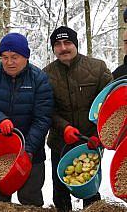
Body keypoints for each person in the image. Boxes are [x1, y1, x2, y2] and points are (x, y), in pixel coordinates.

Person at [0, 33, 53, 206]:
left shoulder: (39, 79)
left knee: (30, 199)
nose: (9, 62)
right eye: (5, 57)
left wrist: (27, 151)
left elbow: (43, 118)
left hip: (31, 152)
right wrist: (0, 119)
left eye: (14, 57)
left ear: (26, 56)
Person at [43, 26, 113, 212]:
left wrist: (100, 134)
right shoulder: (45, 75)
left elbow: (108, 104)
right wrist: (64, 127)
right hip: (60, 141)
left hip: (90, 141)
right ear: (53, 48)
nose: (63, 48)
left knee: (90, 189)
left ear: (76, 44)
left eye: (68, 43)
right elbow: (45, 109)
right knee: (60, 189)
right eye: (58, 44)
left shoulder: (98, 68)